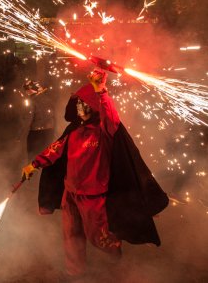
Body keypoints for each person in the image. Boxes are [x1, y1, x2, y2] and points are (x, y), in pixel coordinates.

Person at [22, 69, 169, 280]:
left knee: (98, 237)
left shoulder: (105, 131)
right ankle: (75, 272)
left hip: (94, 197)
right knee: (71, 236)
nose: (80, 107)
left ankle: (114, 258)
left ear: (93, 105)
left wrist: (101, 92)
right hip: (70, 194)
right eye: (77, 103)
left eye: (84, 103)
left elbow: (112, 118)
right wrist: (33, 164)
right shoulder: (72, 131)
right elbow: (54, 150)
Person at [22, 80, 55, 161]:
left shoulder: (32, 102)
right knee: (47, 156)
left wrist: (21, 135)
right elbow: (54, 116)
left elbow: (28, 120)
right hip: (49, 132)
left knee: (33, 158)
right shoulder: (49, 100)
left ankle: (34, 173)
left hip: (36, 134)